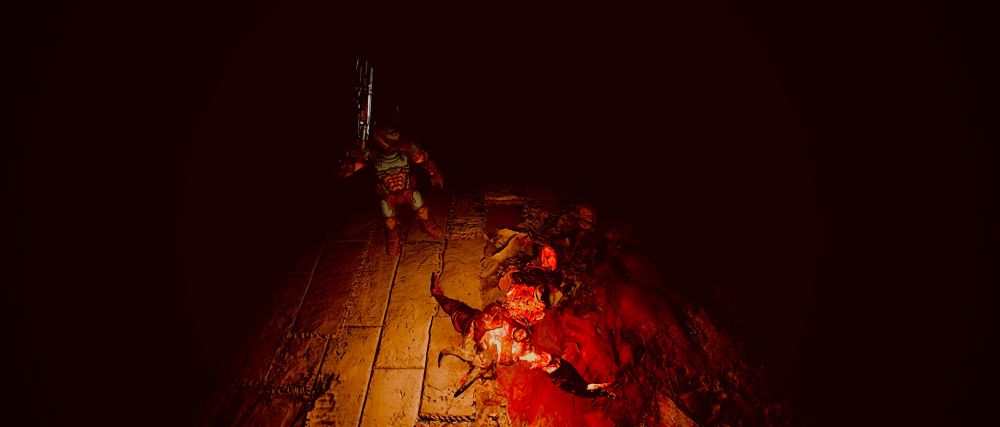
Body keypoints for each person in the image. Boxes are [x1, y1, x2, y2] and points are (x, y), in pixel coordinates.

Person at [339, 123, 445, 256]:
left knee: (420, 207)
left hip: (407, 190)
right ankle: (392, 237)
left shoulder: (405, 148)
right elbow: (352, 167)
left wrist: (434, 173)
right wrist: (347, 166)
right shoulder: (373, 154)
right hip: (388, 194)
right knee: (389, 218)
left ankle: (429, 225)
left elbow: (422, 158)